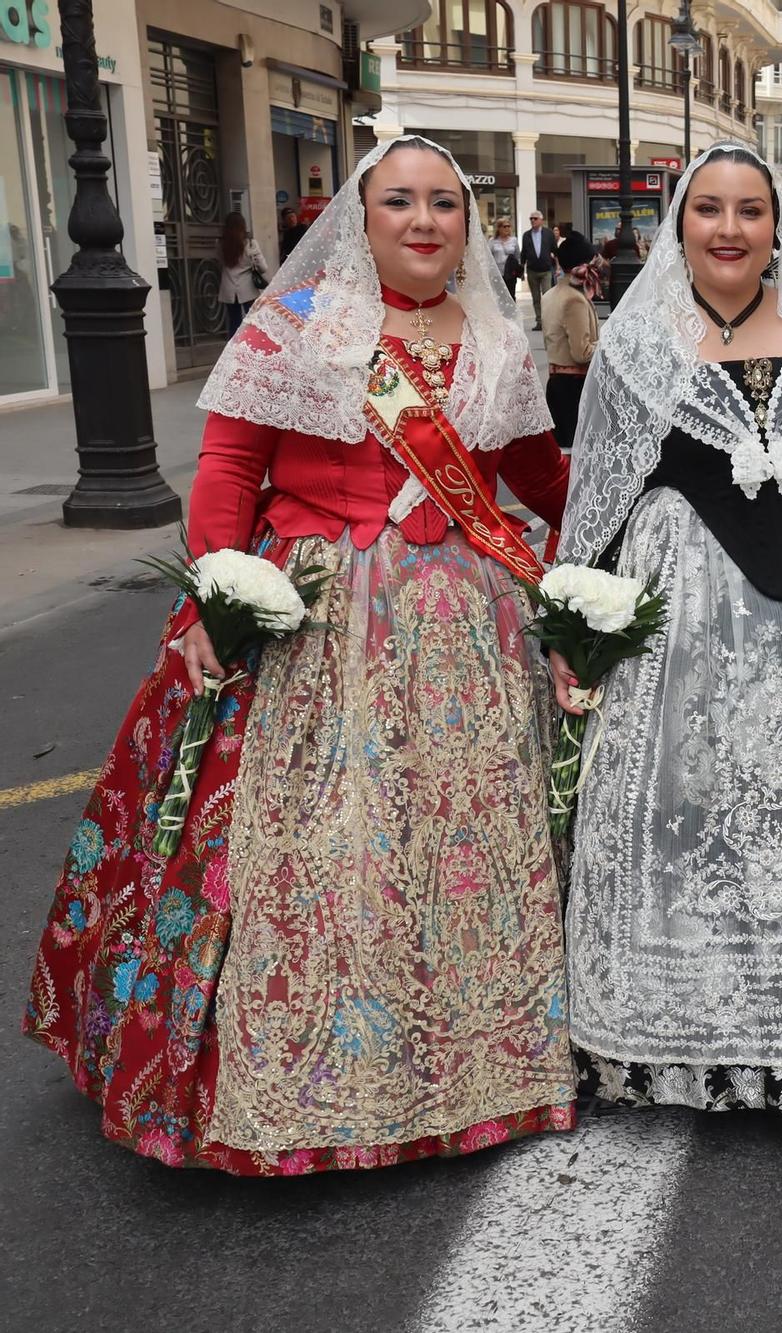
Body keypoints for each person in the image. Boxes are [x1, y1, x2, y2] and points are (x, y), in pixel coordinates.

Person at [24, 135, 575, 1174]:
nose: (424, 221)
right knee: (324, 848)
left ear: (470, 223)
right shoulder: (296, 331)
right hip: (320, 612)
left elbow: (540, 478)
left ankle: (466, 1070)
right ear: (358, 220)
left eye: (445, 204)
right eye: (400, 201)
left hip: (465, 625)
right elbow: (231, 469)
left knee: (455, 854)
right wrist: (218, 592)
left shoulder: (501, 342)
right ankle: (311, 1083)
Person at [554, 143, 782, 1114]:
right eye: (709, 210)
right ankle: (673, 1030)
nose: (730, 229)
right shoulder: (635, 344)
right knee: (682, 806)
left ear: (776, 224)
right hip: (681, 615)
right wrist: (580, 625)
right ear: (679, 224)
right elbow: (600, 497)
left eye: (750, 210)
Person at [542, 231, 601, 450]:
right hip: (574, 389)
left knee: (563, 452)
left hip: (556, 384)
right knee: (576, 456)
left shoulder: (551, 294)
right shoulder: (574, 300)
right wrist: (611, 343)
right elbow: (582, 353)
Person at [216, 211, 268, 334]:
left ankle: (233, 350)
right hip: (248, 289)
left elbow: (219, 261)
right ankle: (252, 348)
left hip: (228, 288)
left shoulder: (220, 244)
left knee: (234, 323)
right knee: (253, 322)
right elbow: (263, 267)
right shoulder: (250, 243)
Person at [521, 210, 556, 328]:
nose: (532, 221)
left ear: (541, 220)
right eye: (531, 219)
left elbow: (554, 250)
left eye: (535, 218)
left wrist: (557, 266)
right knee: (536, 298)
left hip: (546, 270)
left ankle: (548, 320)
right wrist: (522, 269)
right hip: (532, 270)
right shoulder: (526, 235)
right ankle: (539, 321)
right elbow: (523, 253)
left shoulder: (548, 234)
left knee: (547, 296)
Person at [490, 216, 521, 300]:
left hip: (510, 273)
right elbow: (489, 257)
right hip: (498, 274)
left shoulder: (514, 240)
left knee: (511, 296)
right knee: (499, 297)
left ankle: (511, 313)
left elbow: (517, 256)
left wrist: (517, 269)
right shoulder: (493, 241)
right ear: (499, 228)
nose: (507, 228)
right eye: (504, 226)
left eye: (508, 226)